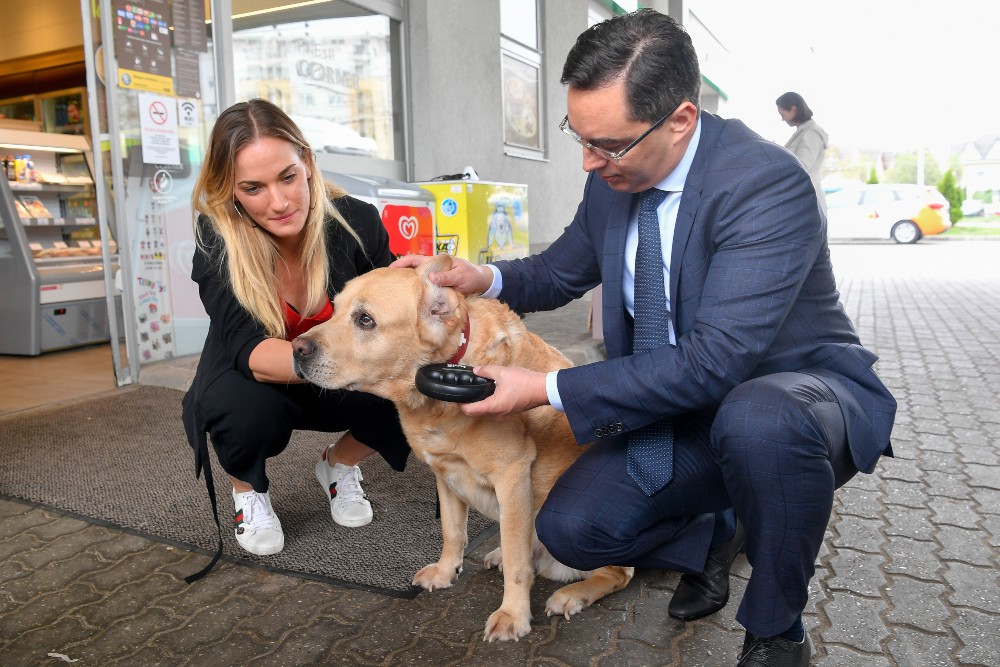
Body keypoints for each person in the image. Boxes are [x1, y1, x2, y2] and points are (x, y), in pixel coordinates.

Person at [393, 10, 895, 667]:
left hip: (793, 400)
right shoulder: (616, 176)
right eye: (578, 134)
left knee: (757, 424)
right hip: (683, 408)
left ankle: (777, 630)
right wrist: (478, 275)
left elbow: (716, 361)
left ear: (680, 120)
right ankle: (721, 525)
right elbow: (557, 270)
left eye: (607, 144)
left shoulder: (764, 185)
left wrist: (543, 387)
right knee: (571, 528)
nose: (587, 159)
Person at [181, 99, 410, 577]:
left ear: (306, 161)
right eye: (253, 188)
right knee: (243, 411)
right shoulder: (216, 240)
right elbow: (253, 354)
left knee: (414, 381)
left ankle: (338, 464)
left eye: (287, 176)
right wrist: (353, 366)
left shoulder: (357, 221)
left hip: (331, 374)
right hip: (257, 380)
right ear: (231, 191)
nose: (280, 202)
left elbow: (395, 311)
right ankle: (248, 490)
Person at [776, 91, 829, 212]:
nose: (782, 120)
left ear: (793, 109)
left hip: (807, 197)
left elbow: (802, 166)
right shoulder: (803, 132)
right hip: (803, 197)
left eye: (783, 114)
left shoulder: (811, 133)